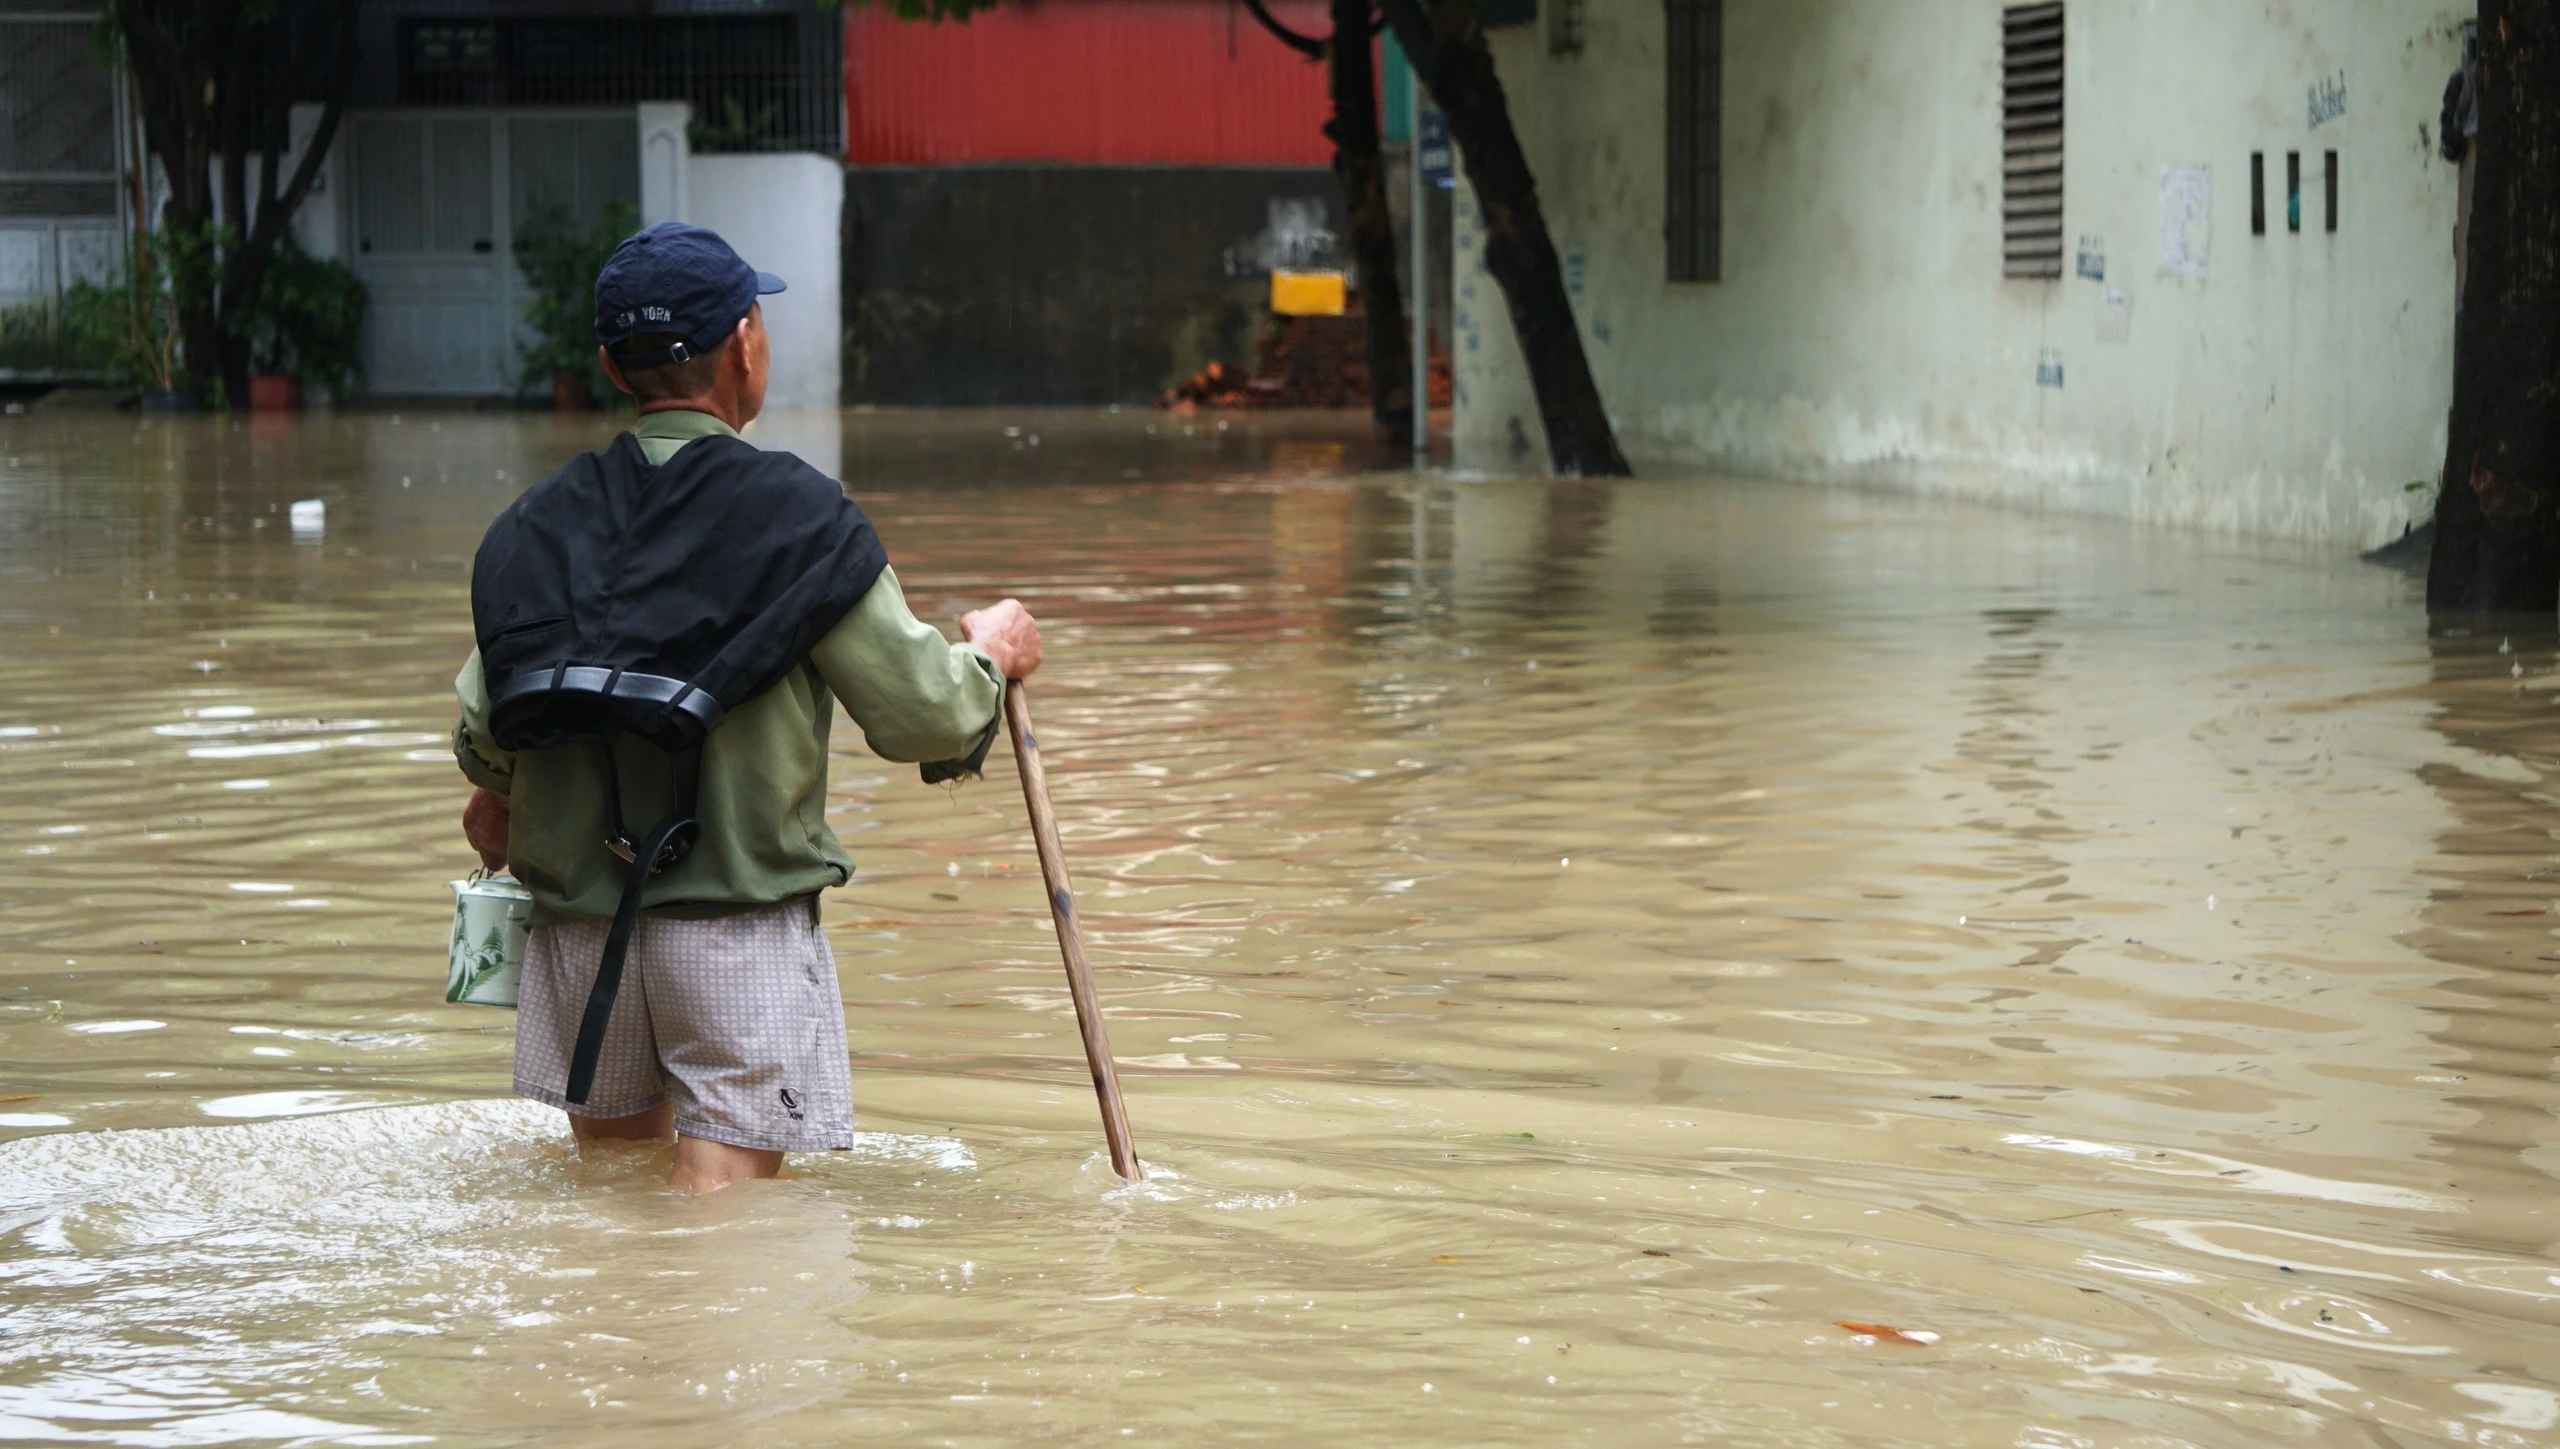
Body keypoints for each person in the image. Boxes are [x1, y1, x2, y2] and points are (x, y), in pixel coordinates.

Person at [450, 222, 1042, 1192]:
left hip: (579, 932)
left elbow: (488, 735)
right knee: (723, 1232)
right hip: (732, 928)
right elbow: (925, 715)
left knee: (613, 1198)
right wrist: (989, 653)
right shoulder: (797, 518)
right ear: (744, 344)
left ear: (609, 365)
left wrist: (507, 799)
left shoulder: (534, 525)